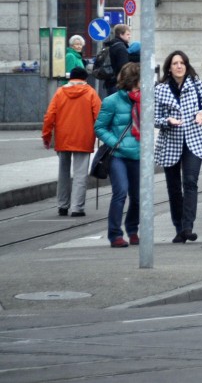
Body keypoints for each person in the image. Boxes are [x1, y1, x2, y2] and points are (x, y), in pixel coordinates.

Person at [153, 50, 202, 244]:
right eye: (175, 63)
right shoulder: (160, 89)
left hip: (193, 140)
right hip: (171, 142)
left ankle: (188, 226)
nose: (179, 66)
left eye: (182, 63)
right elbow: (154, 117)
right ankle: (178, 228)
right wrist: (167, 120)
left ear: (186, 66)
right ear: (169, 68)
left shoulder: (195, 84)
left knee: (190, 181)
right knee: (173, 187)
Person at [41, 66, 102, 217]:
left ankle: (62, 206)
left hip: (63, 138)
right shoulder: (91, 93)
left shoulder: (60, 92)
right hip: (83, 138)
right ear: (85, 79)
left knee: (63, 173)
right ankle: (77, 208)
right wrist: (102, 135)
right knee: (80, 174)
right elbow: (100, 116)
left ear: (70, 78)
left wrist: (47, 136)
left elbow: (49, 115)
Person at [94, 63, 141, 247]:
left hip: (138, 154)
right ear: (132, 81)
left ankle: (132, 229)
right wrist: (116, 142)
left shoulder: (145, 100)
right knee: (120, 192)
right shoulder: (112, 101)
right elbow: (99, 127)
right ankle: (115, 234)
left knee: (137, 197)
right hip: (118, 155)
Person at [98, 24, 133, 96]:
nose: (130, 36)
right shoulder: (121, 48)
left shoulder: (112, 44)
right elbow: (123, 67)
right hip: (117, 83)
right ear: (121, 34)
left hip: (109, 81)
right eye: (128, 34)